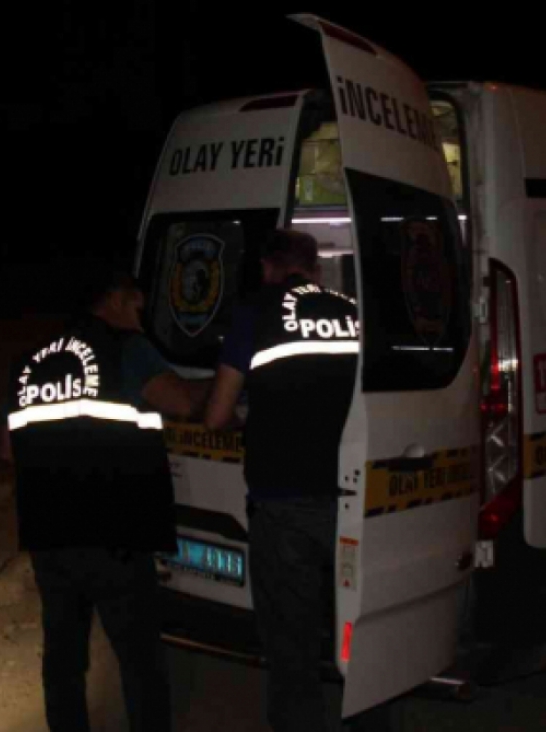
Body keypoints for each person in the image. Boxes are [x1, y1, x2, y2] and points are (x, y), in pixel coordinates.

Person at [2, 268, 208, 732]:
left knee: (63, 657)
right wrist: (230, 382)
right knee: (139, 659)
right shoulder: (127, 349)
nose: (141, 314)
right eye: (137, 303)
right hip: (113, 531)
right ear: (114, 299)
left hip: (49, 533)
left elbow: (7, 448)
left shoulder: (32, 359)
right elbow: (183, 402)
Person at [204, 230, 360, 732]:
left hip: (283, 501)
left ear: (268, 269)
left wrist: (246, 419)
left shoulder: (256, 312)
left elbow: (216, 415)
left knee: (291, 642)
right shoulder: (353, 311)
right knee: (360, 629)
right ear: (316, 269)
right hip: (353, 496)